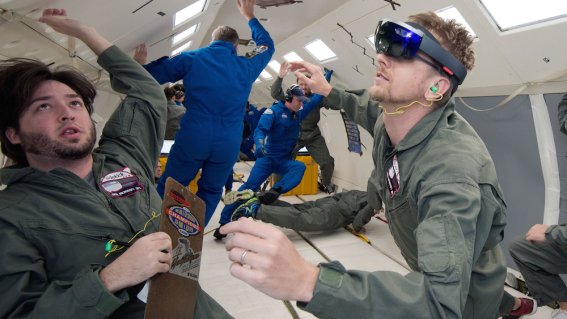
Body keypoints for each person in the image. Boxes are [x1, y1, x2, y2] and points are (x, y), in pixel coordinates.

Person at [221, 12, 509, 319]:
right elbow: (364, 109)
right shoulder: (393, 120)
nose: (382, 56)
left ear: (436, 88)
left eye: (404, 50)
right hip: (432, 261)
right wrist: (326, 90)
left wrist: (309, 281)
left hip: (463, 303)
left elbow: (439, 304)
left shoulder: (450, 172)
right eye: (385, 45)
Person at [0, 9, 230, 318]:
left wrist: (84, 32)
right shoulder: (11, 217)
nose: (67, 113)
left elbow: (148, 92)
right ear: (13, 134)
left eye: (74, 103)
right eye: (43, 107)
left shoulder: (124, 157)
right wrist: (109, 279)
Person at [132, 0, 274, 226]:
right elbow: (267, 45)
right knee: (210, 190)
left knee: (172, 186)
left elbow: (148, 77)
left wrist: (138, 65)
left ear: (213, 41)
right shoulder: (246, 67)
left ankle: (154, 233)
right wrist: (249, 16)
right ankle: (190, 237)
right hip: (228, 142)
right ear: (235, 46)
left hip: (194, 135)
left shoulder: (191, 58)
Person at [214, 84, 323, 239]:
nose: (301, 104)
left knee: (299, 167)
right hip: (267, 158)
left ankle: (274, 192)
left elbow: (313, 101)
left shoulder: (297, 113)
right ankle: (224, 222)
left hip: (284, 160)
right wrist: (259, 145)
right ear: (288, 98)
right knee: (248, 189)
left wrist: (324, 81)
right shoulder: (273, 112)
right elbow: (260, 130)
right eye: (299, 100)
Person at [271, 61, 336, 193]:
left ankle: (326, 184)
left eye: (306, 84)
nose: (303, 86)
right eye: (301, 84)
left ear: (311, 85)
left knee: (327, 162)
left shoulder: (317, 98)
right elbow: (275, 93)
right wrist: (280, 77)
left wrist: (331, 91)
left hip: (313, 135)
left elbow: (334, 103)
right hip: (293, 135)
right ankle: (276, 190)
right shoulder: (291, 98)